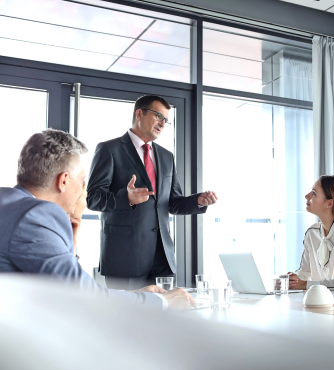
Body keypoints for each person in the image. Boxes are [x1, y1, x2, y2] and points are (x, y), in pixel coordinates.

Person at [0, 129, 195, 311]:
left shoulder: (8, 202)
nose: (84, 188)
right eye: (83, 180)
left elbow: (61, 284)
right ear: (64, 181)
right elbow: (81, 297)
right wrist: (163, 301)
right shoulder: (36, 217)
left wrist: (72, 245)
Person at [87, 95, 218, 290]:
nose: (162, 123)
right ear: (139, 113)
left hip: (162, 258)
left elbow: (172, 203)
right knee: (126, 318)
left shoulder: (166, 156)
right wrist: (126, 198)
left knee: (160, 316)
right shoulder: (109, 149)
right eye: (158, 116)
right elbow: (93, 198)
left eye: (165, 119)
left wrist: (198, 201)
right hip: (125, 258)